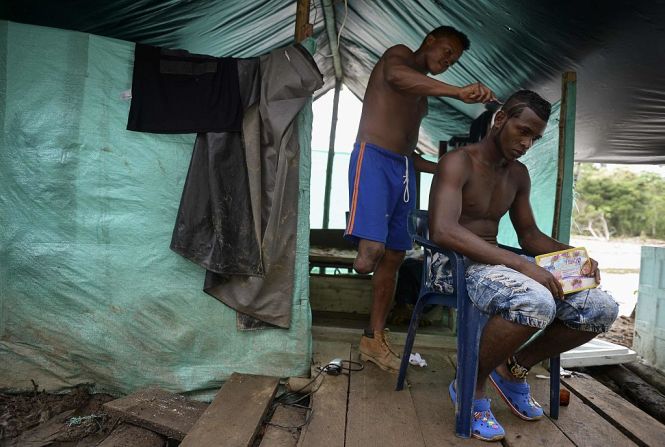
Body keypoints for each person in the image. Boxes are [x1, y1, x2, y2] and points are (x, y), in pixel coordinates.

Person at [428, 90, 619, 441]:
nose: (527, 143)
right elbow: (442, 230)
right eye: (523, 130)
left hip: (499, 264)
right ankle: (471, 384)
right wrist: (523, 266)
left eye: (534, 136)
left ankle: (513, 368)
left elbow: (530, 236)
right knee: (536, 300)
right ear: (500, 119)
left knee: (600, 307)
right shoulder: (458, 162)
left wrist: (578, 259)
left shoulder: (518, 175)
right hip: (454, 266)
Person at [344, 25, 496, 373]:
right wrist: (458, 92)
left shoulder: (423, 98)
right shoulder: (397, 56)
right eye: (447, 50)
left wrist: (444, 168)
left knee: (396, 254)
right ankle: (363, 242)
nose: (448, 59)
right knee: (368, 258)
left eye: (454, 59)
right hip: (374, 160)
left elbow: (409, 152)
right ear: (429, 40)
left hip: (404, 168)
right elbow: (398, 77)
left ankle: (373, 338)